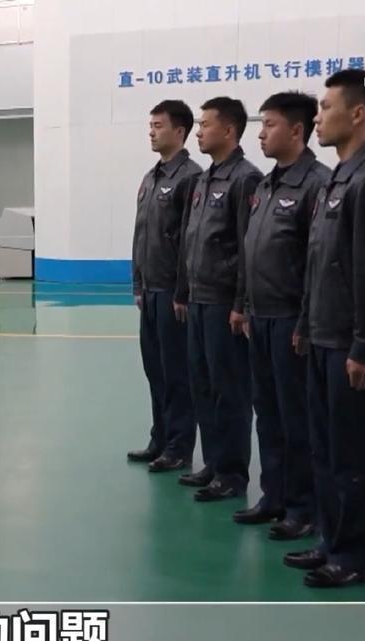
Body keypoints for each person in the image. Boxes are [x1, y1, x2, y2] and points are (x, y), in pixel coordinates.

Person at [283, 70, 365, 588]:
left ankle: (356, 555)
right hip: (323, 337)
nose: (318, 118)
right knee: (327, 449)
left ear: (358, 114)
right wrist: (307, 324)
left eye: (326, 107)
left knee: (357, 455)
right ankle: (332, 540)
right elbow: (321, 263)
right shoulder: (339, 179)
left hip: (352, 348)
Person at [234, 91, 330, 539]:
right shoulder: (266, 186)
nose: (261, 134)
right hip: (261, 317)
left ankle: (303, 507)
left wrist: (305, 321)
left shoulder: (316, 184)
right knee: (268, 413)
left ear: (296, 130)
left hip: (292, 321)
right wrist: (245, 306)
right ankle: (273, 496)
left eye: (269, 125)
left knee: (297, 420)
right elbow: (251, 250)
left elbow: (317, 261)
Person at [175, 97, 263, 501]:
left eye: (205, 124)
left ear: (228, 130)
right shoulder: (205, 179)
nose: (198, 132)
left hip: (224, 303)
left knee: (230, 390)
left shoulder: (245, 179)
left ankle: (232, 473)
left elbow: (247, 247)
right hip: (198, 299)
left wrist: (240, 304)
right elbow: (190, 239)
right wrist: (183, 292)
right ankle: (213, 463)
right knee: (203, 385)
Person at [128, 100, 202, 472]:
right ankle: (160, 439)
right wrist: (138, 283)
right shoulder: (150, 177)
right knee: (155, 371)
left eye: (158, 126)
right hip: (150, 291)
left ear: (179, 131)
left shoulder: (191, 178)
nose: (151, 132)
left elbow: (191, 241)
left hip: (174, 295)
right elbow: (141, 235)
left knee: (177, 374)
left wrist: (182, 292)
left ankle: (179, 446)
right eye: (150, 125)